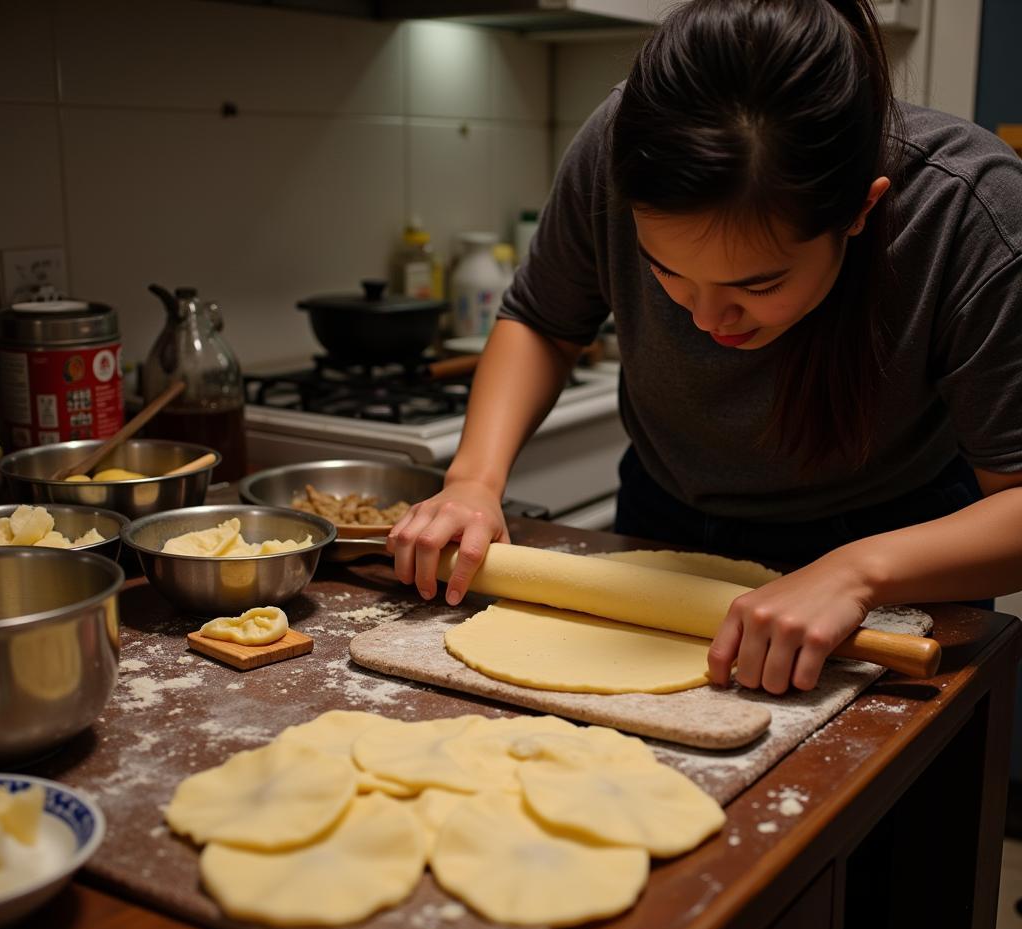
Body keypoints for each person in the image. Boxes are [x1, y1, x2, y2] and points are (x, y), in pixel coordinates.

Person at [387, 0, 1022, 695]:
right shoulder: (623, 144)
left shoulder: (969, 209)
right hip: (665, 524)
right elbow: (542, 319)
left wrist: (856, 572)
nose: (707, 318)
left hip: (901, 548)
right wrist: (474, 481)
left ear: (861, 210)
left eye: (758, 282)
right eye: (667, 272)